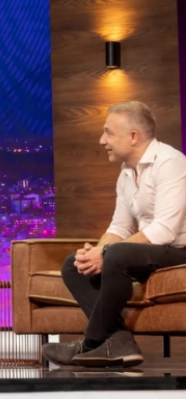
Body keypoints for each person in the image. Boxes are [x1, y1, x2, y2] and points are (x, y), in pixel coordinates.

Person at [43, 101, 186, 368]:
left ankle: (90, 342)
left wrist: (107, 252)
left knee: (117, 254)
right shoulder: (126, 173)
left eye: (108, 132)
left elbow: (165, 230)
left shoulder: (170, 163)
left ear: (133, 136)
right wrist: (96, 254)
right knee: (74, 265)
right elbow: (119, 227)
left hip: (179, 251)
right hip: (150, 253)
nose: (102, 140)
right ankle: (120, 342)